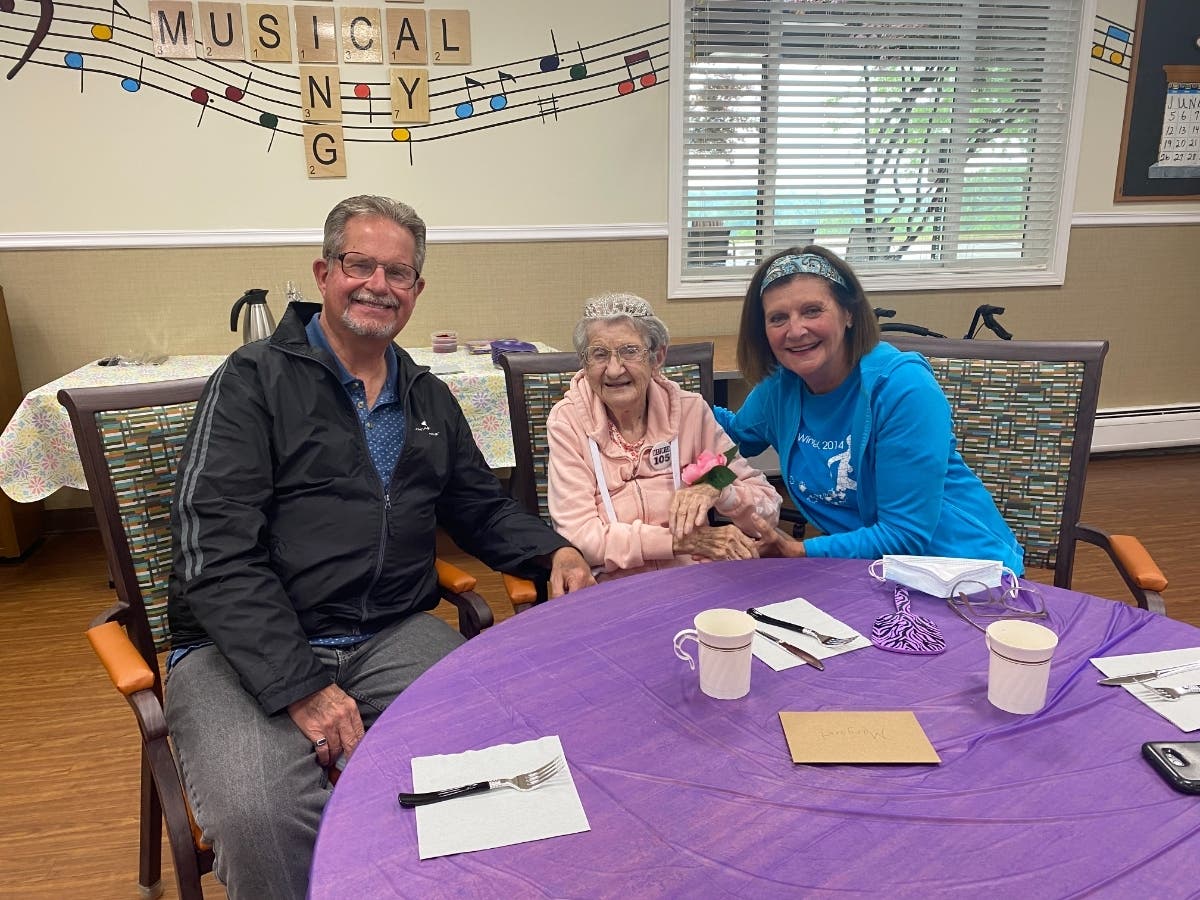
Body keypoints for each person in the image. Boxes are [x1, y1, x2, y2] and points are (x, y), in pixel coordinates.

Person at [164, 195, 594, 898]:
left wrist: (554, 554)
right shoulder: (252, 381)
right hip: (237, 649)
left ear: (416, 291)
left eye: (399, 273)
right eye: (359, 264)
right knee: (261, 814)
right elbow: (214, 553)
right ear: (324, 272)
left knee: (510, 752)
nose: (378, 285)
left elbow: (479, 507)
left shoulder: (427, 397)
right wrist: (300, 684)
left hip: (387, 629)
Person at [716, 245, 1024, 570]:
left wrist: (798, 551)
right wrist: (670, 397)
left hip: (965, 573)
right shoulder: (780, 387)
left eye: (812, 311)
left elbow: (905, 534)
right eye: (778, 318)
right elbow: (735, 438)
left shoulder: (902, 387)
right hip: (869, 574)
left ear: (849, 313)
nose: (795, 330)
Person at [546, 293, 781, 579]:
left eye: (630, 351)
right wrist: (679, 542)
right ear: (584, 363)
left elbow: (768, 509)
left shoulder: (690, 411)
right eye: (599, 354)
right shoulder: (567, 420)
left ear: (657, 358)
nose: (614, 369)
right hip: (614, 583)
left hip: (692, 577)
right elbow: (580, 536)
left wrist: (719, 488)